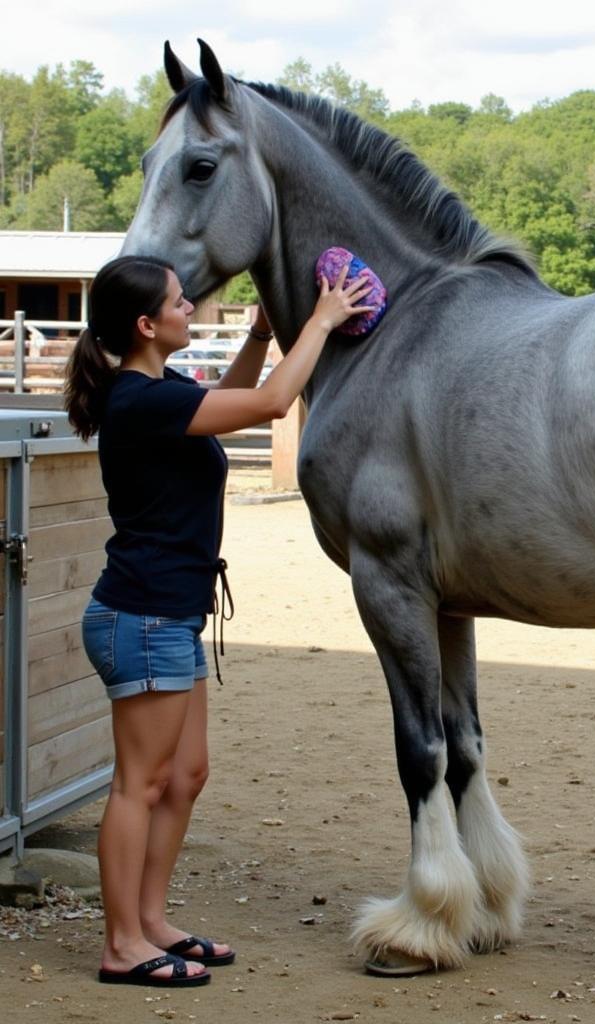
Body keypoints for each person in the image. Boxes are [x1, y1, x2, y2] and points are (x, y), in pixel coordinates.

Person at [64, 255, 373, 987]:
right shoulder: (138, 402)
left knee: (185, 776)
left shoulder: (160, 391)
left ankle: (150, 922)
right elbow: (269, 405)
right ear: (147, 324)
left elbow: (225, 404)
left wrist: (263, 333)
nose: (190, 307)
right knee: (139, 783)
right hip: (139, 616)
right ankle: (120, 945)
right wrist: (322, 320)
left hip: (167, 614)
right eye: (179, 301)